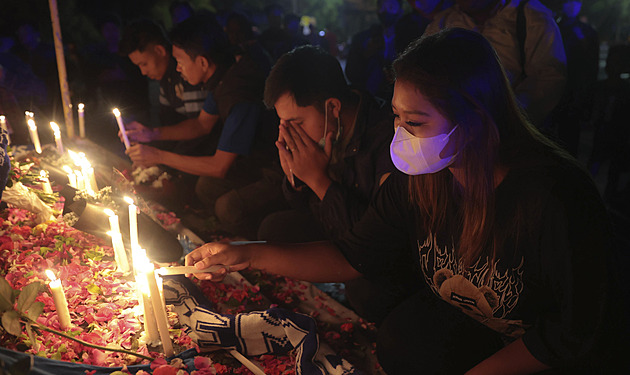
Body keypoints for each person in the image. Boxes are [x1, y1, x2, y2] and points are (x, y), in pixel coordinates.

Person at [184, 28, 621, 373]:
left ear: (475, 117)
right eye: (395, 116)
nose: (400, 135)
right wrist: (244, 254)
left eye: (414, 121)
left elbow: (574, 331)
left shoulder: (554, 197)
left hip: (559, 350)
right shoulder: (422, 178)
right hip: (480, 324)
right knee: (402, 341)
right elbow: (354, 253)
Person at [123, 15, 277, 231]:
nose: (177, 68)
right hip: (253, 162)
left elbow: (219, 166)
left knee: (227, 206)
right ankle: (227, 234)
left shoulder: (239, 93)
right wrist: (151, 134)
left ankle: (252, 246)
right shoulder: (221, 76)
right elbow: (201, 124)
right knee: (205, 186)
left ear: (202, 62)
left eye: (180, 61)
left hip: (274, 170)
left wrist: (157, 156)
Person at [424, 0, 567, 127]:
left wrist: (509, 118)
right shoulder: (444, 21)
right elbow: (423, 69)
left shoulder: (532, 17)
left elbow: (548, 78)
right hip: (456, 129)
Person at [119, 19, 210, 155]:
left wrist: (154, 140)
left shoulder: (188, 73)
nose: (143, 72)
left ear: (159, 50)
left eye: (144, 64)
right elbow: (167, 125)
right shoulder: (166, 81)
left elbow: (198, 128)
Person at [553, 0, 599, 156]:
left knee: (570, 140)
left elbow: (591, 67)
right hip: (553, 91)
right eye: (569, 2)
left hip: (574, 94)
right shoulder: (553, 27)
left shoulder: (587, 32)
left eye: (576, 2)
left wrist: (588, 100)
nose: (572, 6)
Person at [345, 0, 404, 100]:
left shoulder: (409, 37)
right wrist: (365, 56)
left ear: (400, 10)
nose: (386, 12)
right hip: (369, 99)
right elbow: (351, 73)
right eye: (382, 7)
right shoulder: (362, 39)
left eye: (391, 7)